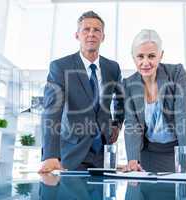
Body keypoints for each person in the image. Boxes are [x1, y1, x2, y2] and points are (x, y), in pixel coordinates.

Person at [124, 29, 186, 175]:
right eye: (140, 56)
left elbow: (183, 116)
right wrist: (132, 160)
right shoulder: (128, 84)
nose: (145, 62)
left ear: (161, 56)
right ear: (134, 58)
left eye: (151, 56)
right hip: (150, 152)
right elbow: (131, 123)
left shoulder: (176, 73)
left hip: (179, 147)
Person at [39, 11, 124, 172]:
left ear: (103, 37)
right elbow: (52, 111)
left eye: (96, 30)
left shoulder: (113, 68)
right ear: (77, 35)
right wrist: (50, 155)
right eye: (86, 29)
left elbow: (120, 99)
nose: (91, 34)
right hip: (72, 151)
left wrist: (117, 124)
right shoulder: (60, 67)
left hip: (103, 153)